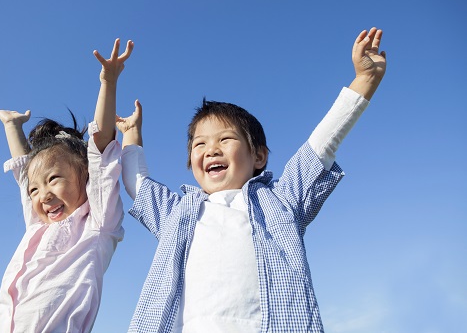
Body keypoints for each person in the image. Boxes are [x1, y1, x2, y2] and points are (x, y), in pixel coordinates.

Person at [117, 27, 386, 332]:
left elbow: (320, 147)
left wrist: (363, 82)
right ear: (191, 162)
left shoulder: (281, 202)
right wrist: (131, 135)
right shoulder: (175, 213)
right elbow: (136, 183)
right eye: (199, 144)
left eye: (225, 139)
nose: (211, 150)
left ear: (258, 156)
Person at [0, 38, 133, 333]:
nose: (43, 196)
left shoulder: (96, 225)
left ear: (86, 174)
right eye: (35, 191)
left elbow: (102, 149)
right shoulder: (37, 226)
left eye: (54, 179)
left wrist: (108, 81)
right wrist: (12, 126)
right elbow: (24, 175)